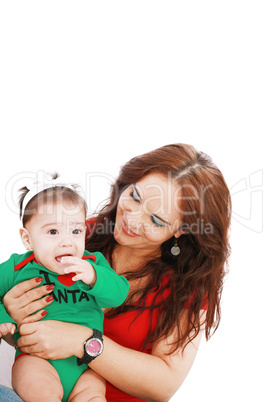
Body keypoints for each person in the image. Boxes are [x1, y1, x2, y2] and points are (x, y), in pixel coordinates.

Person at [1, 144, 231, 401]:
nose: (132, 219)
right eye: (134, 196)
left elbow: (164, 384)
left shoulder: (188, 284)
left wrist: (83, 342)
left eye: (156, 220)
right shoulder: (75, 235)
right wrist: (11, 315)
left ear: (182, 230)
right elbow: (23, 337)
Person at [0, 173, 129, 402]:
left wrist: (93, 277)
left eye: (76, 231)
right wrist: (3, 315)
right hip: (37, 360)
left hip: (85, 367)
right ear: (27, 239)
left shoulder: (92, 264)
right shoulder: (17, 267)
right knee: (42, 391)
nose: (67, 241)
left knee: (94, 396)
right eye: (53, 232)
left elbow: (119, 294)